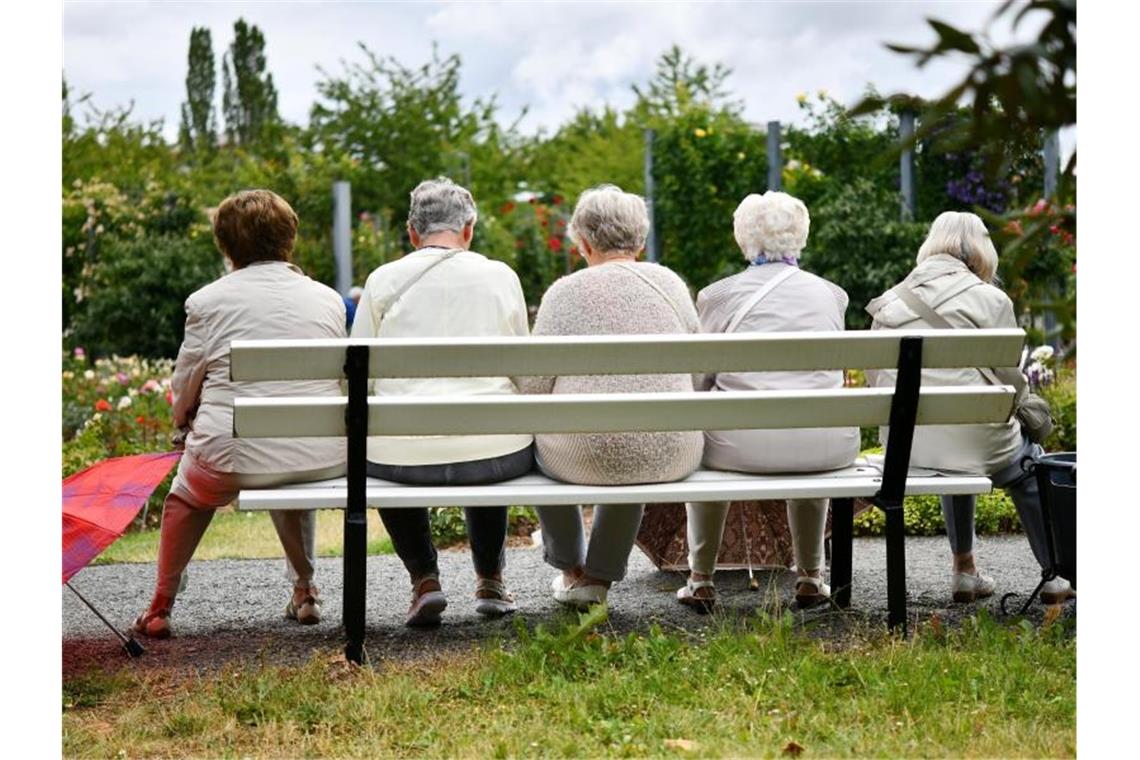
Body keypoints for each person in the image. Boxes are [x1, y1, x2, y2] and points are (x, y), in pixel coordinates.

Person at [133, 189, 347, 638]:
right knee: (287, 462)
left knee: (187, 495)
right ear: (289, 237)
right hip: (318, 454)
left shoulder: (206, 302)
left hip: (229, 456)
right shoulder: (327, 299)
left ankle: (160, 605)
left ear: (227, 247)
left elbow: (185, 384)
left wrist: (181, 422)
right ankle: (305, 590)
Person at [865, 210, 1074, 605]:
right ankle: (1054, 577)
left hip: (910, 448)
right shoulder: (992, 299)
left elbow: (877, 381)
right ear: (981, 250)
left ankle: (964, 569)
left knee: (953, 454)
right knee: (1029, 465)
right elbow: (1013, 383)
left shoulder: (889, 302)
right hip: (981, 445)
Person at [350, 177, 533, 626]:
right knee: (487, 430)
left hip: (401, 460)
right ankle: (490, 579)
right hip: (494, 458)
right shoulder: (500, 276)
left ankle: (425, 581)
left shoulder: (382, 280)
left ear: (413, 234)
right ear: (468, 229)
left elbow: (357, 374)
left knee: (392, 438)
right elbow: (523, 367)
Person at [518, 185, 704, 609]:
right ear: (640, 240)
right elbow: (697, 369)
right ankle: (598, 576)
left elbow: (532, 388)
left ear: (582, 242)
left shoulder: (564, 293)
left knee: (552, 438)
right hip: (671, 450)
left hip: (581, 455)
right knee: (639, 430)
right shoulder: (670, 284)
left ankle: (571, 569)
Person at [680, 191, 860, 612]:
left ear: (743, 237)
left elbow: (699, 382)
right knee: (810, 416)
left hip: (738, 450)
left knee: (708, 432)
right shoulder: (831, 295)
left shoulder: (718, 296)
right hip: (826, 446)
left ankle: (701, 579)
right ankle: (811, 577)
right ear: (801, 235)